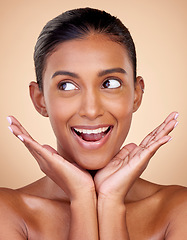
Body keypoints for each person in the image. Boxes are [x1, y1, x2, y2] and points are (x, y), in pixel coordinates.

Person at [0, 7, 186, 240]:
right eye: (67, 85)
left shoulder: (178, 210)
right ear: (40, 99)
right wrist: (81, 199)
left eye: (110, 83)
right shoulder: (7, 212)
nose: (91, 110)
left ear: (136, 94)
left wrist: (110, 202)